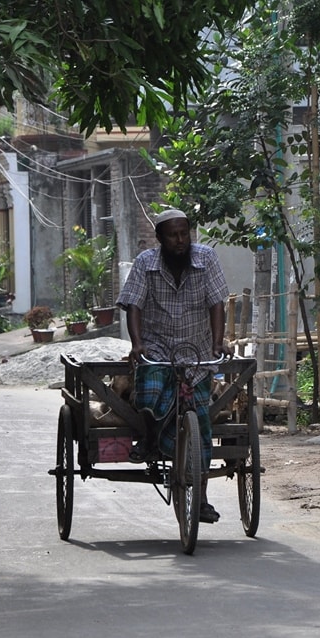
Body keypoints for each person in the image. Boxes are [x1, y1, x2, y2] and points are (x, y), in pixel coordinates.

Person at [116, 208, 228, 524]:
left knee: (202, 423)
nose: (181, 240)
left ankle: (202, 498)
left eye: (185, 233)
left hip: (196, 351)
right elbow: (134, 305)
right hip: (157, 346)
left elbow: (217, 303)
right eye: (173, 235)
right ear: (160, 238)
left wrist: (218, 343)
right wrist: (137, 345)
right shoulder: (145, 263)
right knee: (149, 393)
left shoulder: (206, 259)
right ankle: (150, 440)